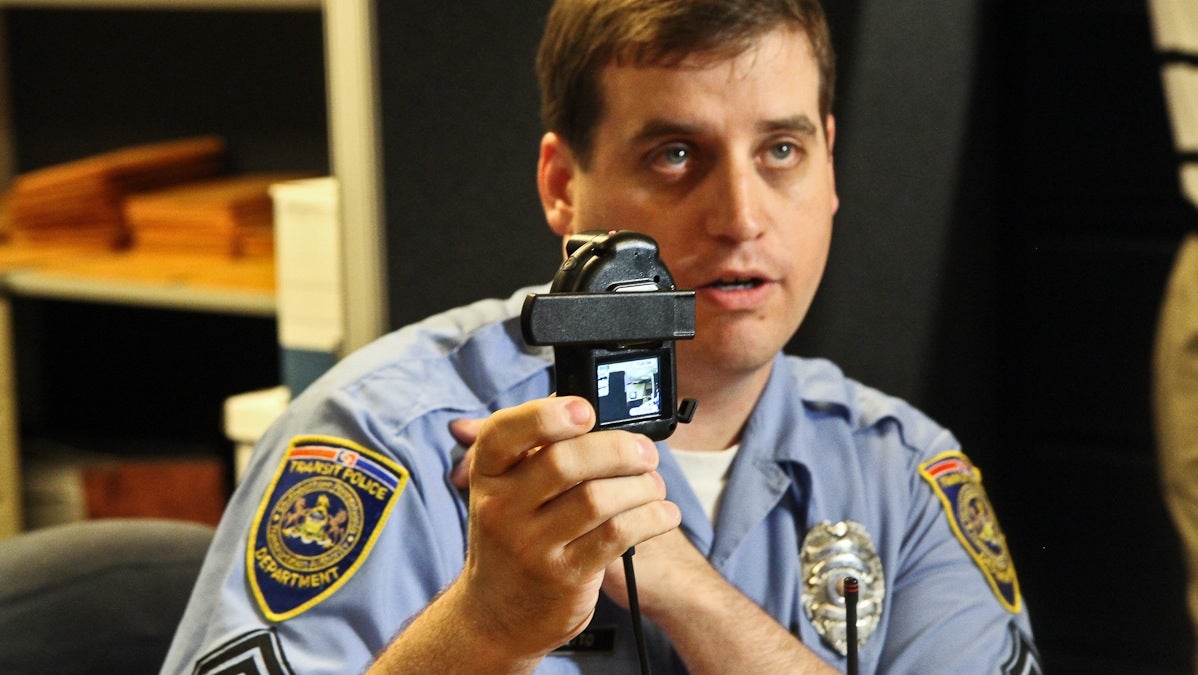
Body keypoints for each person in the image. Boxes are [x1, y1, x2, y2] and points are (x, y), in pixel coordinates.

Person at [161, 1, 1040, 673]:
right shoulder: (381, 437)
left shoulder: (903, 471)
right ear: (560, 185)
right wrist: (482, 628)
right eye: (673, 155)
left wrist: (680, 584)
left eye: (780, 151)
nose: (741, 217)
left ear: (830, 165)